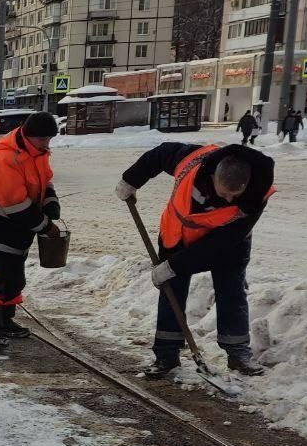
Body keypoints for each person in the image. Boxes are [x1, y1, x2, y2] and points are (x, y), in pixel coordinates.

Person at [114, 142, 274, 377]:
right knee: (171, 291)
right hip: (177, 234)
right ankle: (166, 355)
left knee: (232, 290)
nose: (229, 199)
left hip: (229, 245)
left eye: (235, 194)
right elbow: (160, 154)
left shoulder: (257, 193)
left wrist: (174, 265)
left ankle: (238, 353)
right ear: (212, 176)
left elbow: (220, 243)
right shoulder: (193, 161)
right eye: (223, 193)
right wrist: (131, 179)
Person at [0, 112, 63, 351]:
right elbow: (15, 205)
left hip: (15, 232)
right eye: (42, 139)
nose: (46, 144)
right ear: (28, 136)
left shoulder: (37, 153)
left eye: (49, 139)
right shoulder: (6, 159)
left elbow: (45, 180)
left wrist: (50, 200)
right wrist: (46, 226)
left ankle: (6, 321)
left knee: (13, 279)